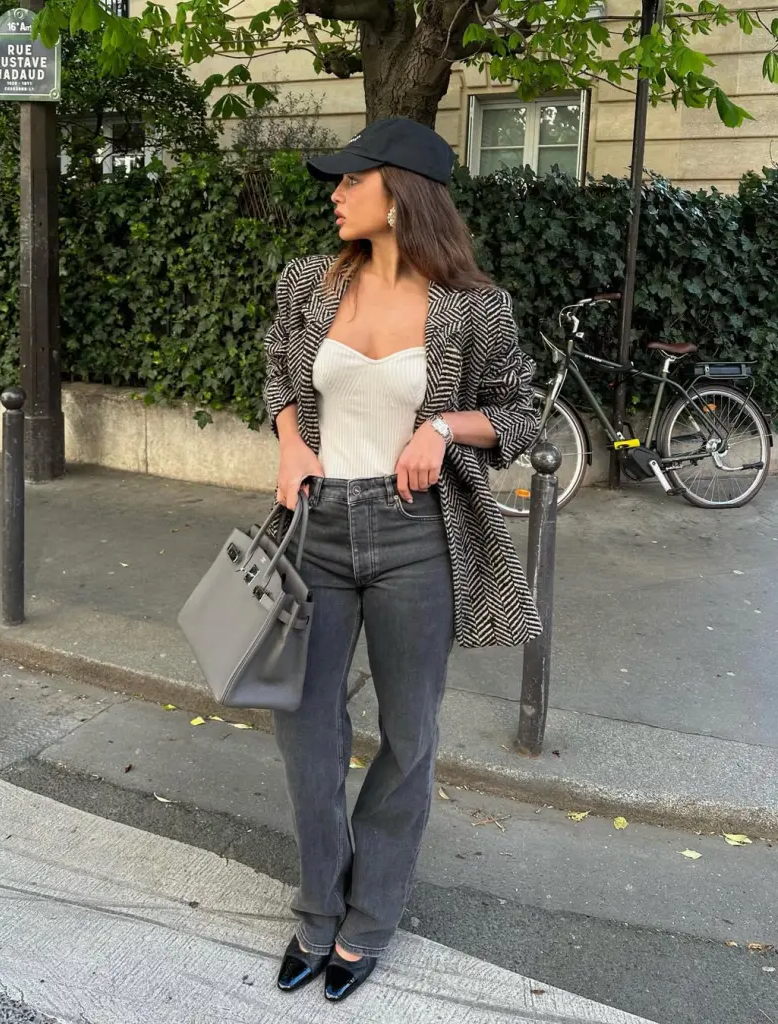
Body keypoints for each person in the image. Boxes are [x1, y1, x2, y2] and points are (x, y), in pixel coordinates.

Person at [263, 116, 542, 1003]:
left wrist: (445, 425)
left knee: (409, 734)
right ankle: (318, 907)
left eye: (352, 180)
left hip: (417, 535)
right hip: (317, 522)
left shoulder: (474, 306)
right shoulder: (309, 282)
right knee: (306, 725)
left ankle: (370, 918)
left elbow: (521, 415)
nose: (335, 193)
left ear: (402, 191)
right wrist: (287, 445)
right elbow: (278, 375)